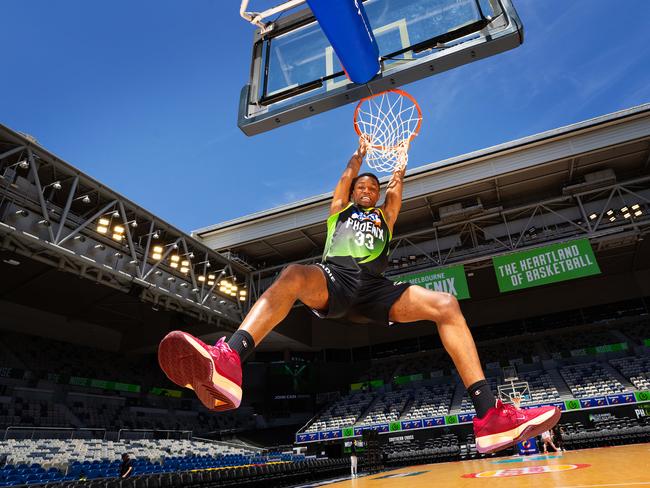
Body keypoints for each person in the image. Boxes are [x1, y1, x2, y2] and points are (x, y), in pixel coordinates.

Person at [158, 137, 560, 454]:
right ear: (352, 193)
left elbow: (397, 188)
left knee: (447, 306)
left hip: (375, 289)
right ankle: (230, 358)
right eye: (361, 186)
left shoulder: (386, 215)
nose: (367, 188)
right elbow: (347, 177)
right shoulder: (339, 210)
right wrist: (358, 156)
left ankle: (489, 414)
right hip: (335, 277)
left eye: (373, 186)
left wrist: (400, 161)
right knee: (295, 275)